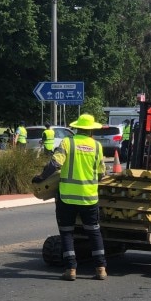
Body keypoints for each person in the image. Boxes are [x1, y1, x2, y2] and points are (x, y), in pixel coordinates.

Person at [32, 114, 107, 281]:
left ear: (77, 128)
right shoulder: (96, 146)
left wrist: (42, 177)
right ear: (91, 130)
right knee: (94, 232)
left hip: (67, 198)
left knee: (67, 233)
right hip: (89, 197)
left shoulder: (68, 142)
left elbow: (55, 164)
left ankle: (71, 270)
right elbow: (102, 173)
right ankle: (101, 269)